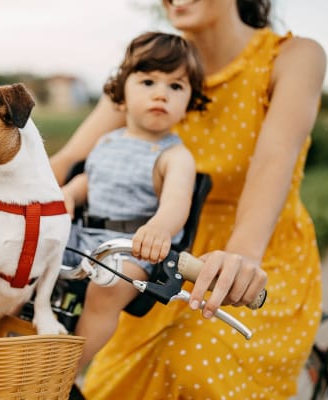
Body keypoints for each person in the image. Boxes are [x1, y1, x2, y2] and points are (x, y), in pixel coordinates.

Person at [50, 0, 327, 398]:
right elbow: (71, 159)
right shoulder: (155, 62)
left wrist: (243, 255)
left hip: (254, 255)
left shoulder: (294, 57)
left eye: (176, 87)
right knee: (110, 385)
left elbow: (273, 164)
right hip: (159, 256)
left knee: (187, 365)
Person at [60, 31, 209, 371]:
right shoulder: (108, 140)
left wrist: (158, 227)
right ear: (122, 92)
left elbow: (176, 201)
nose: (161, 93)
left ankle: (65, 371)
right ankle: (4, 336)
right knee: (28, 251)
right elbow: (90, 181)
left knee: (107, 288)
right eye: (148, 82)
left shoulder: (174, 155)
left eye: (176, 86)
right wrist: (69, 193)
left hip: (131, 247)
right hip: (83, 236)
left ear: (189, 101)